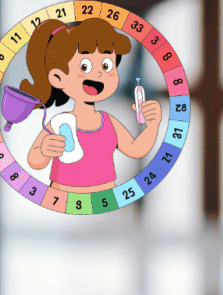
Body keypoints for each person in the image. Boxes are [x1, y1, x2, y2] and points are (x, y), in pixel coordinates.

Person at [20, 18, 162, 192]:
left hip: (103, 198)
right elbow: (35, 160)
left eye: (106, 66)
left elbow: (135, 149)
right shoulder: (59, 124)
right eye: (84, 67)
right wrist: (44, 149)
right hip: (66, 197)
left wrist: (152, 126)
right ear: (58, 78)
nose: (98, 75)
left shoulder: (109, 122)